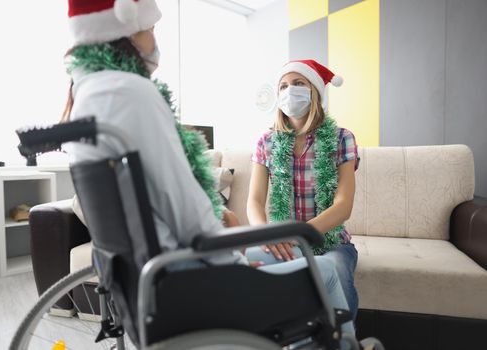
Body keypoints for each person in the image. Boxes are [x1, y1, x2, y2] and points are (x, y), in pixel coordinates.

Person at [62, 0, 354, 337]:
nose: (155, 38)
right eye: (152, 28)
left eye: (299, 85)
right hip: (191, 283)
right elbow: (183, 203)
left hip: (147, 284)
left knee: (330, 261)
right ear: (125, 29)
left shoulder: (86, 96)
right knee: (327, 273)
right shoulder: (133, 92)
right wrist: (235, 266)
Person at [246, 59, 360, 321]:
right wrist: (268, 235)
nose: (289, 91)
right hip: (281, 242)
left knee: (336, 270)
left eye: (298, 84)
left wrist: (298, 235)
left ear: (315, 92)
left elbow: (343, 206)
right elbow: (254, 201)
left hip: (331, 243)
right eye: (283, 86)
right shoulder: (266, 141)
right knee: (248, 267)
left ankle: (343, 340)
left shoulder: (342, 138)